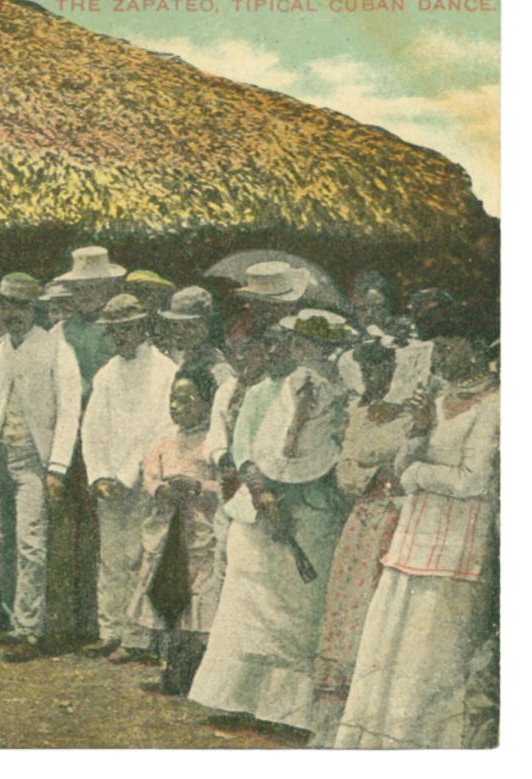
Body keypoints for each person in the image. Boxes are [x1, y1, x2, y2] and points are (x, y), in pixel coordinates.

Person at [189, 309, 354, 734]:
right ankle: (238, 698)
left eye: (307, 346)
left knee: (302, 608)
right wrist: (264, 496)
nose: (297, 353)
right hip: (263, 510)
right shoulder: (266, 392)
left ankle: (292, 710)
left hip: (316, 511)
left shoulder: (343, 396)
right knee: (254, 604)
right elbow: (247, 452)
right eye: (290, 345)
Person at [336, 323, 499, 749]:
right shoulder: (437, 401)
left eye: (448, 346)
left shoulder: (499, 404)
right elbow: (402, 466)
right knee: (392, 646)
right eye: (436, 349)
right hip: (413, 536)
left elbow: (471, 480)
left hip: (460, 544)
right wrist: (418, 431)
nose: (439, 357)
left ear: (477, 347)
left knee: (434, 650)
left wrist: (416, 473)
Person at [0, 273, 82, 662]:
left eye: (21, 307)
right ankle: (14, 620)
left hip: (37, 459)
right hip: (3, 458)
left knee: (32, 542)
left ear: (34, 309)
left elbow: (69, 411)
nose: (13, 314)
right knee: (3, 541)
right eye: (7, 306)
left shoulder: (55, 347)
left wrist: (57, 466)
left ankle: (31, 631)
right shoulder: (0, 351)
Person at [308, 340, 413, 746]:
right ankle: (336, 717)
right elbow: (346, 470)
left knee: (381, 606)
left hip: (398, 517)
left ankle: (374, 717)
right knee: (348, 605)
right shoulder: (356, 415)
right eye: (368, 371)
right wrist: (373, 474)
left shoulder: (408, 417)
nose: (376, 378)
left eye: (382, 369)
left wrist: (389, 471)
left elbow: (403, 466)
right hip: (363, 519)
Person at [80, 293, 178, 660]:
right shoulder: (106, 373)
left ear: (142, 326)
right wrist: (100, 475)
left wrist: (127, 474)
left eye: (127, 329)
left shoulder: (165, 370)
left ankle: (137, 637)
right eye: (115, 331)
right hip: (110, 482)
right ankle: (111, 630)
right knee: (111, 556)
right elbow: (92, 428)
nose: (121, 337)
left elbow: (159, 429)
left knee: (141, 554)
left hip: (145, 478)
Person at [130, 367, 224, 695]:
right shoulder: (163, 444)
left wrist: (198, 486)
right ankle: (169, 665)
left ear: (206, 403)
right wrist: (161, 490)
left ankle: (193, 668)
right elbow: (149, 477)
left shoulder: (213, 443)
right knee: (167, 593)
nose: (178, 407)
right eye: (174, 399)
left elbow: (224, 485)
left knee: (198, 597)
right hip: (168, 531)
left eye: (187, 400)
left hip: (200, 533)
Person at [50, 246, 126, 647]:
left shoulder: (116, 330)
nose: (87, 297)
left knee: (104, 532)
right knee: (67, 530)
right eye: (80, 290)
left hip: (107, 438)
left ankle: (102, 622)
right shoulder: (61, 332)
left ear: (109, 288)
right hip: (68, 439)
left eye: (95, 289)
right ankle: (68, 620)